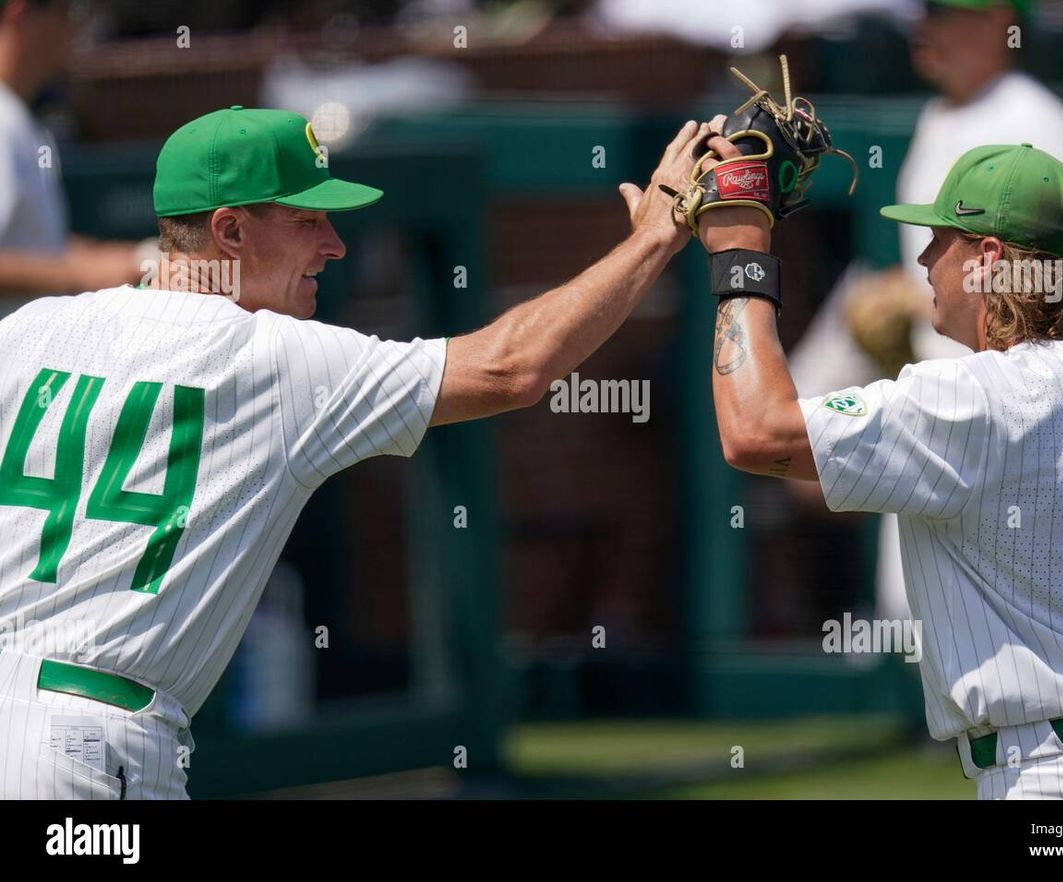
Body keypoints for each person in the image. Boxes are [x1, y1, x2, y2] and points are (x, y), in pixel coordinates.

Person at [0, 105, 720, 798]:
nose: (335, 244)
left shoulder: (30, 330)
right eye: (308, 220)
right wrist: (655, 236)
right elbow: (511, 368)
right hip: (82, 744)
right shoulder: (274, 358)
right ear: (229, 230)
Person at [701, 137, 1063, 799]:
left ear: (988, 260)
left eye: (941, 239)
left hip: (1045, 779)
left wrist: (741, 257)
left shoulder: (969, 398)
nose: (926, 259)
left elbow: (756, 432)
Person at [787, 0, 1063, 625]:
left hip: (1014, 420)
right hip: (946, 405)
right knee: (920, 625)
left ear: (998, 20)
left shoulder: (1037, 119)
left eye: (944, 12)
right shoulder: (938, 116)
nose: (924, 26)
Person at [0, 0, 145, 314]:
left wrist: (122, 258)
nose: (79, 27)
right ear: (20, 11)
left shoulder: (20, 118)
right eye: (71, 10)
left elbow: (34, 243)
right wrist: (82, 274)